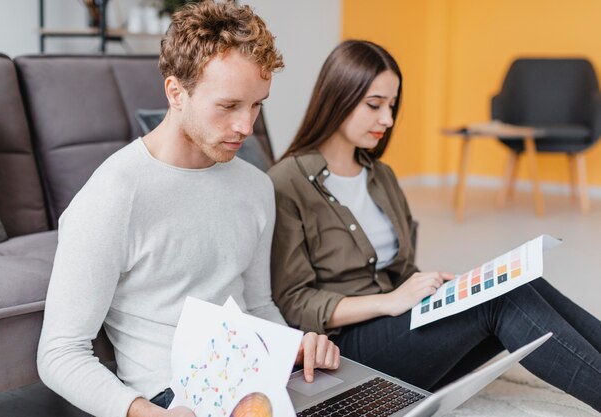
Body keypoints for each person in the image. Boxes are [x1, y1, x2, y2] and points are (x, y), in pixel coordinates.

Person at [37, 3, 339, 417]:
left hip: (259, 384)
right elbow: (59, 352)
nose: (247, 127)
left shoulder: (255, 186)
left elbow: (257, 305)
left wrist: (293, 343)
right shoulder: (113, 196)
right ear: (176, 92)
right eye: (229, 106)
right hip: (171, 398)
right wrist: (145, 413)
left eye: (257, 106)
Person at [268, 39, 601, 411]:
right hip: (348, 347)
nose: (388, 119)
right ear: (338, 98)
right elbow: (295, 303)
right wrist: (390, 302)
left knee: (518, 282)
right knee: (503, 303)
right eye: (374, 105)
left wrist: (440, 292)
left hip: (397, 329)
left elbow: (402, 269)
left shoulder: (381, 176)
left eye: (392, 105)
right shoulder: (287, 183)